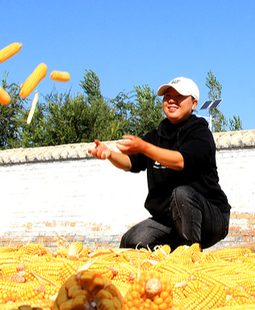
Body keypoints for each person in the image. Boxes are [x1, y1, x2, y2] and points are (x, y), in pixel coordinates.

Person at [88, 76, 231, 250]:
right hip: (169, 221)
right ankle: (173, 251)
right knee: (131, 241)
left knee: (182, 194)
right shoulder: (156, 136)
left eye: (179, 96)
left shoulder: (200, 134)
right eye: (167, 96)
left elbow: (180, 161)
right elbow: (130, 162)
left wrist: (144, 147)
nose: (171, 100)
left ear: (194, 104)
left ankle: (191, 254)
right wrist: (110, 154)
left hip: (210, 218)